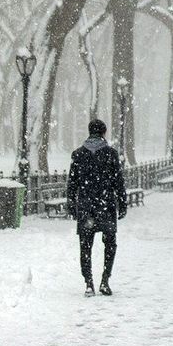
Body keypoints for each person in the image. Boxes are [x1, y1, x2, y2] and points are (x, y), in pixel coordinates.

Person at [66, 119, 127, 297]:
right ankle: (105, 281)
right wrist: (122, 203)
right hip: (105, 205)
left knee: (85, 245)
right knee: (110, 243)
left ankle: (88, 283)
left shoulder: (78, 155)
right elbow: (118, 182)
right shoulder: (111, 154)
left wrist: (72, 203)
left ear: (89, 131)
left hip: (86, 206)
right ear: (104, 132)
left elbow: (73, 183)